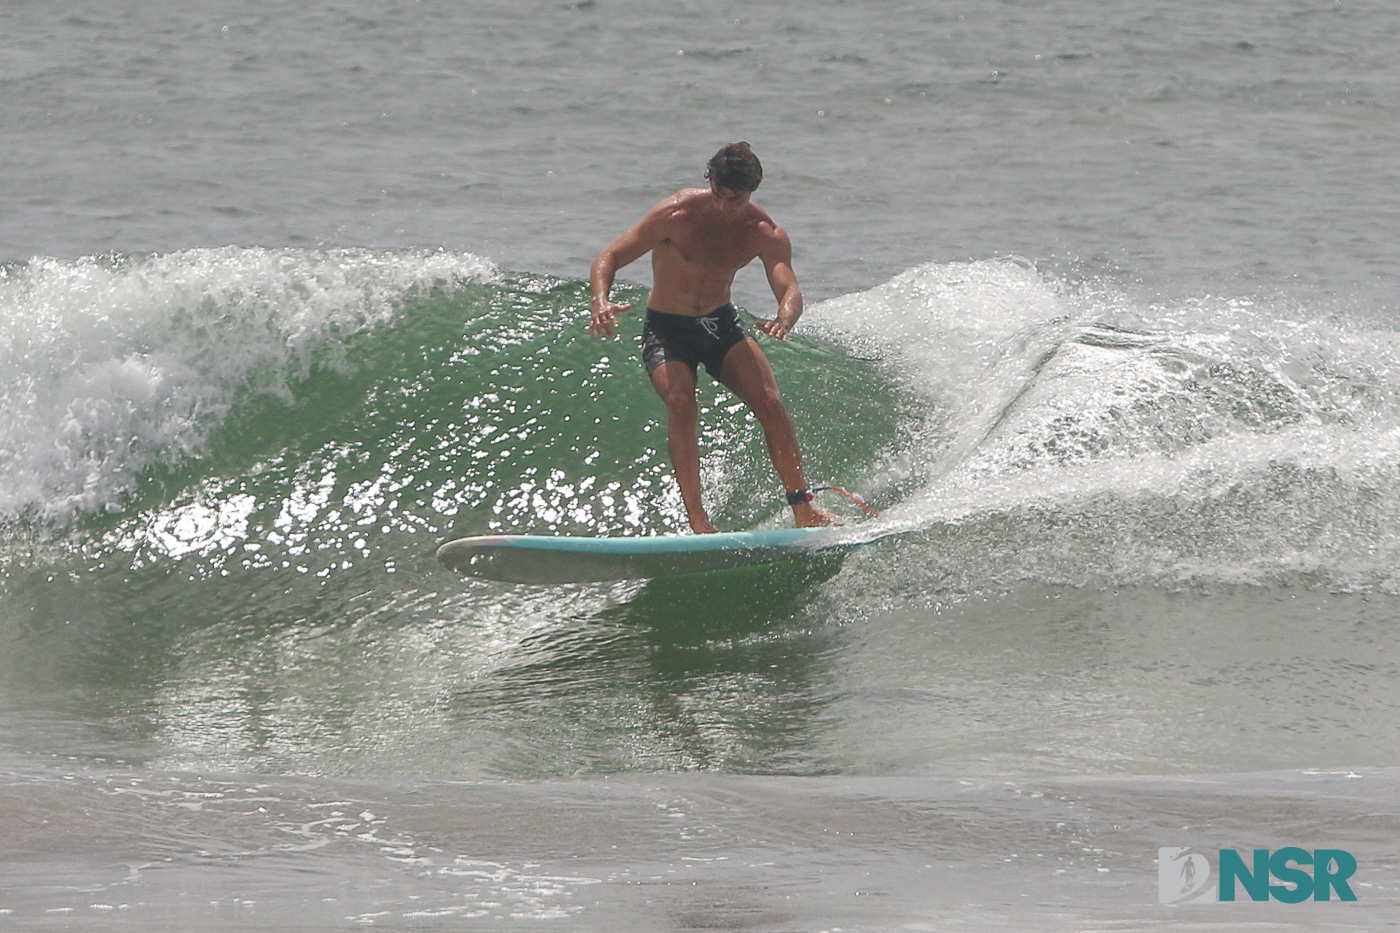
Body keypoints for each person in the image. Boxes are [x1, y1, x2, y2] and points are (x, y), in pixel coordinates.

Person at [589, 142, 838, 534]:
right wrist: (601, 300)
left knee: (770, 402)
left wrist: (785, 318)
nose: (724, 205)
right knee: (681, 400)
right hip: (667, 328)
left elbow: (788, 288)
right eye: (718, 194)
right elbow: (610, 257)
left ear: (752, 189)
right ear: (711, 182)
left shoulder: (763, 232)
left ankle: (803, 507)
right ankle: (699, 520)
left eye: (734, 198)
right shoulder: (675, 214)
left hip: (719, 324)